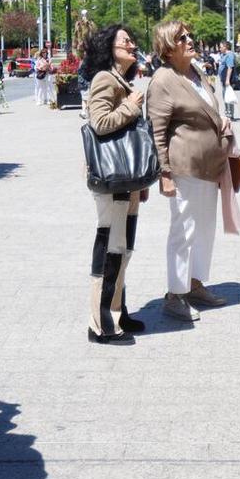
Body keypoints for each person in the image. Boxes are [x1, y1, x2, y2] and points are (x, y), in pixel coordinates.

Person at [146, 21, 233, 322]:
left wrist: (223, 122)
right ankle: (175, 294)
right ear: (168, 49)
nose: (190, 40)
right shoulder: (163, 80)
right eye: (182, 38)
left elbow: (211, 110)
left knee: (205, 229)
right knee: (183, 231)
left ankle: (194, 284)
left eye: (189, 35)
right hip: (183, 168)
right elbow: (157, 131)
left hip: (209, 166)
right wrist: (164, 174)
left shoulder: (198, 72)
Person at [80, 25, 148, 345]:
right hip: (111, 180)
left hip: (126, 179)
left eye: (133, 41)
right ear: (110, 47)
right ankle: (101, 324)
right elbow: (100, 122)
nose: (132, 45)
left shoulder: (121, 80)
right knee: (110, 247)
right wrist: (132, 105)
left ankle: (117, 310)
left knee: (123, 248)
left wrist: (141, 181)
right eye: (126, 41)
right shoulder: (104, 79)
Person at [217, 40, 237, 119]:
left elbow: (230, 68)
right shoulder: (224, 55)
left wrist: (227, 80)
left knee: (229, 97)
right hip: (224, 80)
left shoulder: (230, 55)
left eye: (221, 47)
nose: (219, 48)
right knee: (225, 97)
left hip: (228, 81)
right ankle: (227, 113)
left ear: (225, 47)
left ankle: (230, 115)